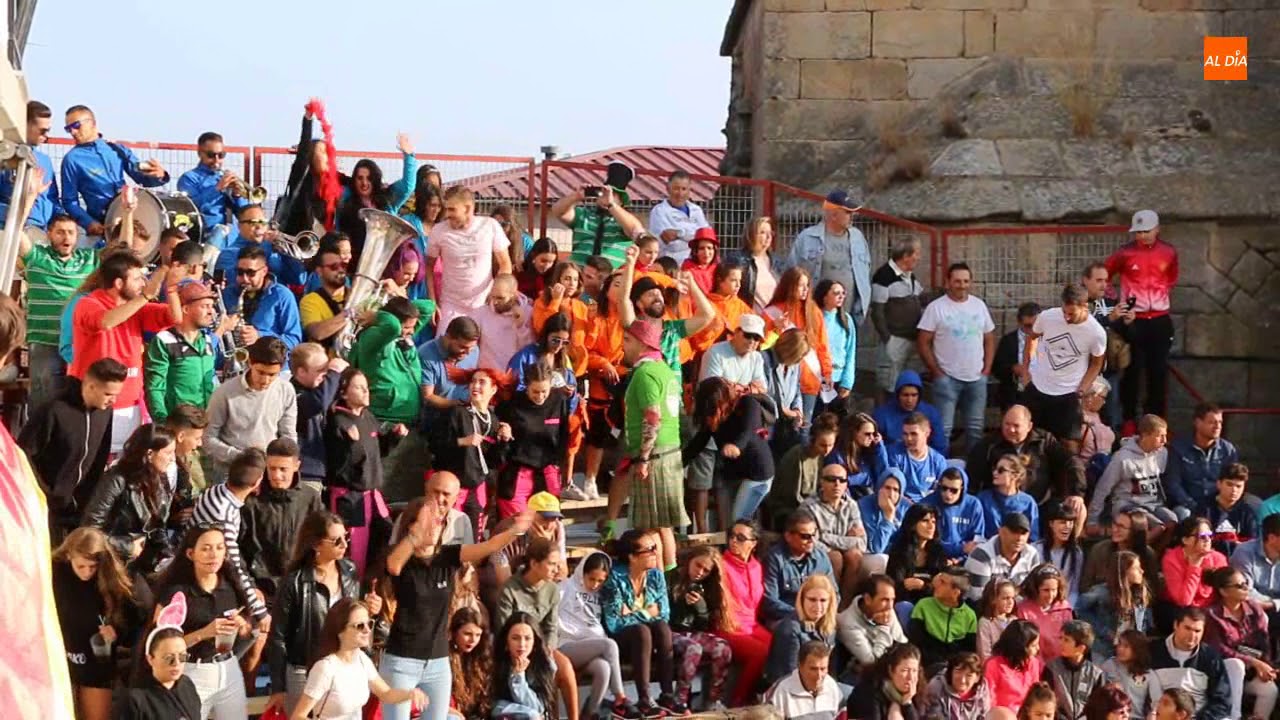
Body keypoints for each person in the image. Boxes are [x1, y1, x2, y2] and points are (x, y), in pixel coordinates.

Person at [380, 497, 532, 720]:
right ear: (411, 525)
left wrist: (516, 530)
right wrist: (415, 536)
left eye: (439, 521)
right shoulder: (400, 558)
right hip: (402, 661)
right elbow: (393, 567)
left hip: (438, 661)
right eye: (429, 521)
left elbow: (489, 546)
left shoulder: (448, 556)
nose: (435, 526)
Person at [69, 251, 182, 450]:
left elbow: (175, 318)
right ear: (119, 283)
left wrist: (171, 289)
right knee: (91, 460)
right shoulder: (88, 304)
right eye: (137, 279)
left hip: (130, 404)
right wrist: (146, 296)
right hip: (94, 405)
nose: (143, 283)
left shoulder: (137, 307)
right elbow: (106, 322)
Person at [263, 510, 362, 715]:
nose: (344, 545)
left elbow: (354, 621)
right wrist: (279, 687)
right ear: (316, 544)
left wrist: (369, 609)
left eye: (346, 537)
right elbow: (277, 637)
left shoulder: (349, 571)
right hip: (304, 670)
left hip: (341, 666)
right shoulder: (295, 582)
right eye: (336, 540)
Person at [152, 525, 256, 719]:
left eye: (219, 547)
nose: (213, 554)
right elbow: (159, 642)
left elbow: (249, 627)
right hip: (191, 670)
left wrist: (242, 625)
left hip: (228, 668)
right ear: (191, 554)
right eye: (206, 548)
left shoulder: (231, 585)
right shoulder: (177, 592)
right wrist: (203, 633)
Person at [20, 357, 124, 538]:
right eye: (108, 394)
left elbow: (101, 454)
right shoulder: (53, 409)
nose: (113, 400)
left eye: (116, 394)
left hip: (81, 507)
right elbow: (23, 454)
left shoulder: (105, 412)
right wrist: (46, 493)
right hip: (47, 507)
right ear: (91, 386)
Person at [51, 527, 145, 720]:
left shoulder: (111, 577)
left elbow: (135, 616)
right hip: (60, 661)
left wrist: (116, 631)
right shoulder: (54, 573)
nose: (87, 572)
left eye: (92, 567)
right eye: (81, 566)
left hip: (96, 664)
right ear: (69, 556)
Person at [617, 321, 687, 569]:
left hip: (654, 456)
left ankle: (659, 579)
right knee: (663, 525)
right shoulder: (664, 369)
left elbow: (653, 416)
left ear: (642, 343)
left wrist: (643, 457)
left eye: (627, 340)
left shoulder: (645, 373)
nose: (623, 346)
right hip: (669, 453)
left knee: (650, 527)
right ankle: (668, 575)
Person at [599, 529, 687, 716]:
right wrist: (648, 612)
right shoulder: (614, 579)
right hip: (622, 640)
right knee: (641, 631)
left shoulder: (655, 576)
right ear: (632, 557)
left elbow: (664, 614)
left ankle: (667, 695)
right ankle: (645, 698)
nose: (656, 552)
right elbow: (614, 623)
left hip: (650, 637)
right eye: (650, 549)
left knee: (662, 628)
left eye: (655, 547)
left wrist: (633, 613)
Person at [1104, 209, 1178, 432]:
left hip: (1160, 319)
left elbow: (1172, 278)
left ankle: (1155, 422)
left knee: (1158, 372)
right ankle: (1129, 419)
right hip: (1134, 319)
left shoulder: (1169, 252)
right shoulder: (1125, 253)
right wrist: (1115, 301)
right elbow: (1105, 275)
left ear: (1157, 230)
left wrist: (1158, 295)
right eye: (1138, 232)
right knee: (1132, 370)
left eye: (1146, 231)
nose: (1142, 236)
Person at [291, 599, 425, 720]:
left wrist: (409, 694)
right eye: (360, 626)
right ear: (340, 631)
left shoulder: (362, 659)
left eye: (369, 624)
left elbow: (386, 693)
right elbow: (298, 716)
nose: (367, 630)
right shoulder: (326, 668)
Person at [81, 423, 187, 573]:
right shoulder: (116, 479)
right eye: (168, 453)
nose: (172, 459)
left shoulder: (159, 479)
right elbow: (90, 529)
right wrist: (127, 546)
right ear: (150, 454)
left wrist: (166, 555)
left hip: (143, 561)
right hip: (113, 561)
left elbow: (158, 526)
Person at [917, 262, 997, 453]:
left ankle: (974, 468)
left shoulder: (979, 306)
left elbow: (989, 339)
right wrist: (937, 372)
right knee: (943, 430)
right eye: (957, 281)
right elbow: (922, 342)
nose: (962, 285)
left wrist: (986, 369)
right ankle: (941, 467)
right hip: (947, 379)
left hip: (977, 379)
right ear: (948, 282)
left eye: (966, 281)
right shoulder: (936, 308)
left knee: (976, 429)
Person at [18, 212, 95, 408]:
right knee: (43, 403)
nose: (66, 237)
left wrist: (128, 212)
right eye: (60, 232)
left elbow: (123, 248)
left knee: (76, 404)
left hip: (78, 344)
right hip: (45, 342)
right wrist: (29, 199)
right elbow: (17, 230)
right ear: (49, 234)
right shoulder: (36, 257)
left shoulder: (89, 259)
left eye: (71, 232)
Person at [324, 367, 394, 577]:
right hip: (349, 498)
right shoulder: (338, 421)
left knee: (387, 537)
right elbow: (339, 464)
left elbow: (378, 452)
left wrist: (394, 438)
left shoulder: (368, 417)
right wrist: (349, 444)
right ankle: (351, 590)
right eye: (359, 387)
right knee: (353, 552)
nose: (365, 391)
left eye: (366, 387)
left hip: (372, 493)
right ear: (344, 393)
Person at [58, 104, 168, 236]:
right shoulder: (72, 159)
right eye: (68, 129)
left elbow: (142, 179)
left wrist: (159, 175)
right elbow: (69, 201)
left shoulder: (117, 149)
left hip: (129, 216)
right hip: (103, 224)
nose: (73, 132)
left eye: (76, 126)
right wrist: (88, 223)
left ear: (92, 123)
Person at [1021, 283, 1108, 450]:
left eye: (1072, 314)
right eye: (1064, 312)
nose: (1067, 317)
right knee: (1030, 439)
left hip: (1069, 393)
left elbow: (1096, 363)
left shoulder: (1096, 332)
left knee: (1069, 444)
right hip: (1038, 386)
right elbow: (1032, 338)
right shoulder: (1047, 317)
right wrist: (1026, 370)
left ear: (1085, 306)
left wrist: (1082, 389)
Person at [203, 337, 298, 483]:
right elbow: (207, 438)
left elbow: (288, 436)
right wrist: (240, 456)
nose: (265, 380)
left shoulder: (286, 390)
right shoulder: (225, 392)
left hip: (267, 472)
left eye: (272, 375)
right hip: (230, 472)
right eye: (260, 372)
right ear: (250, 363)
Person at [557, 552, 640, 720]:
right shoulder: (565, 588)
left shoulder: (601, 594)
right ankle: (620, 697)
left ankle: (590, 713)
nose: (595, 585)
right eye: (591, 579)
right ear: (583, 572)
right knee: (609, 644)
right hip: (565, 646)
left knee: (603, 668)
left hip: (591, 648)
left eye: (600, 581)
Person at [686, 377, 776, 528]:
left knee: (738, 520)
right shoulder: (715, 416)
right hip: (732, 473)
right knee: (727, 524)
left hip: (757, 474)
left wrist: (736, 446)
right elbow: (698, 442)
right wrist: (679, 462)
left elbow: (749, 429)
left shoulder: (747, 403)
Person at [422, 186, 512, 329]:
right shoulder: (438, 230)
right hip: (451, 305)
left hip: (484, 305)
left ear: (468, 208)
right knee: (446, 342)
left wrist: (495, 295)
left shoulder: (490, 226)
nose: (447, 214)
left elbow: (505, 264)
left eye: (452, 209)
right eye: (446, 209)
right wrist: (432, 302)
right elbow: (428, 267)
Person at [241, 439, 323, 597]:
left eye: (283, 469)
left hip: (301, 586)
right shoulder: (251, 501)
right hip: (261, 589)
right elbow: (238, 548)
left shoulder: (310, 498)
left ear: (296, 466)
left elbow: (320, 541)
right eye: (272, 468)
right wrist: (250, 585)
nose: (277, 475)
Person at [144, 280, 227, 423]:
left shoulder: (207, 340)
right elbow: (155, 387)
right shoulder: (164, 340)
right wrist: (162, 422)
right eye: (204, 306)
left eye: (211, 306)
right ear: (186, 309)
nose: (211, 312)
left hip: (206, 421)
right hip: (179, 423)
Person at [1204, 566, 1278, 720]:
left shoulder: (1254, 608)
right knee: (1236, 664)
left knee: (1269, 690)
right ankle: (1234, 716)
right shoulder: (1212, 615)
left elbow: (1264, 640)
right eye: (1240, 585)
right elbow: (1219, 649)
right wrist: (1254, 662)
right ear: (1224, 591)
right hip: (1224, 674)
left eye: (1246, 583)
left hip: (1251, 673)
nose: (1246, 588)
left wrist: (1266, 666)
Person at [787, 189, 870, 324]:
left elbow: (865, 272)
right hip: (814, 314)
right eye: (848, 212)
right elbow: (791, 274)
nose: (852, 216)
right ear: (834, 214)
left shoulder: (858, 238)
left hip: (849, 315)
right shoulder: (807, 238)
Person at [667, 546, 735, 709]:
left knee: (722, 648)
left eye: (706, 571)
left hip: (692, 632)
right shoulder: (670, 578)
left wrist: (701, 608)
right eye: (698, 565)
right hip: (669, 632)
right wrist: (681, 602)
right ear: (690, 559)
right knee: (694, 648)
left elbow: (703, 625)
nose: (700, 572)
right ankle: (680, 699)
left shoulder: (706, 586)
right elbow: (663, 613)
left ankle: (713, 699)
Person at [764, 266, 833, 424]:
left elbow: (822, 345)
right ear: (789, 286)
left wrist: (827, 372)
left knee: (803, 427)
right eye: (801, 285)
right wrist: (774, 327)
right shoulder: (772, 311)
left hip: (809, 379)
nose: (805, 289)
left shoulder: (814, 312)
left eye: (807, 285)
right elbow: (763, 345)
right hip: (781, 380)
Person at [334, 136, 417, 261]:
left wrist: (409, 155)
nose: (364, 183)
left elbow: (407, 186)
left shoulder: (388, 199)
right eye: (360, 178)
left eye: (369, 178)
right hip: (352, 261)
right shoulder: (345, 201)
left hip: (382, 261)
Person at [718, 520, 774, 706]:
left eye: (740, 538)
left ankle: (768, 694)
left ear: (753, 543)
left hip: (751, 624)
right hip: (727, 625)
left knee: (780, 643)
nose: (733, 541)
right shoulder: (721, 566)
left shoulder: (756, 566)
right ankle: (738, 701)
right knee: (760, 652)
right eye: (732, 536)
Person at [554, 162, 646, 268]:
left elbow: (636, 231)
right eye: (604, 192)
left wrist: (611, 205)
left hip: (610, 276)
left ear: (621, 201)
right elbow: (558, 211)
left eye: (612, 194)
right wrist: (575, 196)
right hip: (578, 273)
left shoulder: (623, 221)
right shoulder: (584, 215)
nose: (606, 196)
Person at [1147, 608, 1232, 720]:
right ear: (1176, 625)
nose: (1192, 635)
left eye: (1197, 631)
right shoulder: (1153, 651)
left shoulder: (1210, 657)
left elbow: (1222, 701)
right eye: (1187, 628)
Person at [801, 462, 867, 601]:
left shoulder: (852, 505)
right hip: (814, 553)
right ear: (822, 482)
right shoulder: (809, 507)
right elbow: (811, 541)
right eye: (831, 479)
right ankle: (831, 603)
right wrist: (844, 542)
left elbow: (861, 543)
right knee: (835, 557)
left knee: (855, 555)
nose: (837, 484)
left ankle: (845, 605)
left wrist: (826, 537)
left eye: (842, 480)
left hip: (837, 549)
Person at [869, 238, 926, 398]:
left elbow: (919, 297)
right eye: (916, 254)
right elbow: (877, 311)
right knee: (888, 384)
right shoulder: (883, 276)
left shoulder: (909, 276)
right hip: (895, 339)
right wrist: (888, 339)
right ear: (906, 256)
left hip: (910, 338)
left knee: (905, 385)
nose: (919, 258)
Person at [764, 412, 839, 532]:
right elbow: (791, 497)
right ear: (813, 440)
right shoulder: (796, 456)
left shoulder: (821, 457)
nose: (827, 450)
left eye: (831, 445)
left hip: (810, 507)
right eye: (822, 445)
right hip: (789, 511)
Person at [113, 623, 203, 720]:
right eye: (169, 658)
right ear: (150, 659)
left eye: (182, 656)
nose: (176, 663)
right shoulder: (135, 699)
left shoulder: (187, 684)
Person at [1166, 403, 1240, 520]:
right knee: (1184, 514)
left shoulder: (1227, 450)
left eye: (1220, 422)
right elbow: (1173, 484)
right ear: (1198, 423)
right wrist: (1192, 505)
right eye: (1212, 422)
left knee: (1253, 505)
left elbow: (1234, 480)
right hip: (1187, 504)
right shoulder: (1179, 447)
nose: (1217, 427)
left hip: (1218, 503)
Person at [761, 510, 838, 623]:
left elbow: (834, 594)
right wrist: (801, 614)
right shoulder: (775, 559)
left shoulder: (821, 558)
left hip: (818, 616)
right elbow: (769, 601)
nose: (812, 541)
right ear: (788, 536)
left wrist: (821, 613)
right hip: (785, 617)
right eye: (805, 536)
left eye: (814, 534)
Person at [215, 204, 307, 298]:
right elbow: (236, 282)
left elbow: (299, 280)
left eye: (263, 222)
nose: (259, 227)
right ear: (239, 226)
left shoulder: (274, 250)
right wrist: (267, 245)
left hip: (278, 301)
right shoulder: (228, 254)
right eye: (253, 222)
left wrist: (287, 254)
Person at [1076, 551, 1154, 661]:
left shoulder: (1140, 593)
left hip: (1131, 649)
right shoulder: (1102, 592)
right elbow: (1080, 609)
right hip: (1105, 649)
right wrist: (1104, 631)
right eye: (1136, 568)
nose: (1142, 571)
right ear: (1124, 571)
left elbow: (1143, 622)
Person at [227, 243, 304, 353]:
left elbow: (294, 340)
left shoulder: (282, 295)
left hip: (270, 361)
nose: (245, 279)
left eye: (251, 273)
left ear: (264, 271)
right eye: (240, 272)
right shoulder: (228, 293)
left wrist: (260, 336)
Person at [764, 573, 837, 685]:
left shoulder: (830, 628)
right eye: (812, 600)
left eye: (823, 600)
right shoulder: (789, 630)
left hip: (820, 683)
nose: (818, 606)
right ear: (802, 599)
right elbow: (788, 676)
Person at [0, 100, 61, 232]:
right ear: (25, 125)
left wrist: (60, 220)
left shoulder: (44, 160)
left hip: (42, 231)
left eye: (48, 131)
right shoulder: (5, 157)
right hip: (12, 230)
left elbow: (52, 198)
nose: (46, 136)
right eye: (42, 131)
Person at [907, 567, 979, 671]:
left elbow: (968, 652)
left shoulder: (969, 616)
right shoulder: (923, 606)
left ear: (955, 592)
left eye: (943, 582)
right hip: (927, 666)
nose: (936, 584)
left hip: (955, 670)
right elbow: (916, 644)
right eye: (939, 580)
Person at [888, 504, 951, 621]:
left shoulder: (938, 552)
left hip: (932, 604)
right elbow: (894, 586)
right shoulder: (899, 551)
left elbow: (944, 588)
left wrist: (922, 586)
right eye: (925, 521)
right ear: (913, 525)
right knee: (904, 607)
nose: (931, 526)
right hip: (906, 603)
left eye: (933, 522)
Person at [177, 131, 251, 230]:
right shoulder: (188, 178)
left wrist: (237, 195)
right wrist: (217, 188)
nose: (217, 160)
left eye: (221, 155)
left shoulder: (224, 177)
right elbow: (191, 207)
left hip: (231, 233)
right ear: (200, 154)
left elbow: (244, 213)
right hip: (206, 232)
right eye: (211, 155)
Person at [836, 575, 907, 676]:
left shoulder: (885, 609)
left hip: (891, 668)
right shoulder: (847, 623)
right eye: (885, 600)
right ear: (868, 599)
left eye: (892, 599)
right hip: (860, 676)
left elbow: (902, 644)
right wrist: (884, 627)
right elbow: (872, 664)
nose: (890, 606)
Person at [964, 512, 1042, 602]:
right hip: (983, 607)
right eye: (1014, 532)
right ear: (1001, 531)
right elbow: (979, 597)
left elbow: (1034, 590)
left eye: (1024, 533)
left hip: (1019, 607)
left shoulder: (1032, 554)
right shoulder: (981, 555)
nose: (1019, 538)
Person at [417, 315, 481, 422]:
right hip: (433, 420)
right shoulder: (426, 354)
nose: (468, 353)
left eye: (471, 348)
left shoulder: (473, 351)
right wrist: (458, 404)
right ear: (448, 337)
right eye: (463, 347)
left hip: (464, 418)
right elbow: (427, 396)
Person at [1081, 510, 1159, 595]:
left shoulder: (1148, 555)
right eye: (1115, 524)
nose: (1115, 529)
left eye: (1121, 527)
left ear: (1135, 531)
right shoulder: (1100, 549)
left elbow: (1152, 590)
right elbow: (1086, 585)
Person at [872, 370, 947, 454]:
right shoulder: (881, 415)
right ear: (898, 395)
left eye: (914, 395)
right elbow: (874, 447)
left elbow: (939, 446)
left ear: (919, 395)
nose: (909, 400)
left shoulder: (931, 413)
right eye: (905, 395)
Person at [1162, 516, 1229, 611]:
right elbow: (1184, 601)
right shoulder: (1172, 559)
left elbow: (1225, 592)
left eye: (1209, 535)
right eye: (1202, 536)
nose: (1207, 539)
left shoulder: (1218, 558)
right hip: (1179, 609)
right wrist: (1194, 567)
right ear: (1185, 540)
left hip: (1210, 609)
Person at [921, 466, 986, 562]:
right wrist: (961, 548)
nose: (948, 494)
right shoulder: (927, 504)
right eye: (944, 488)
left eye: (954, 490)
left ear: (962, 489)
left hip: (965, 559)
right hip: (933, 557)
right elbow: (925, 541)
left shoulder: (974, 505)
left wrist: (960, 559)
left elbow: (977, 540)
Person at [472, 274, 534, 373]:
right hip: (487, 375)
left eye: (500, 298)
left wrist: (521, 326)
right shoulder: (481, 313)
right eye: (493, 297)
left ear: (514, 294)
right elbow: (471, 346)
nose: (495, 302)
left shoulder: (528, 313)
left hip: (513, 375)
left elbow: (529, 351)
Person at [766, 640, 842, 720]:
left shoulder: (832, 687)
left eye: (823, 669)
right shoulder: (781, 691)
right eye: (813, 669)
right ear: (800, 666)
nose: (819, 675)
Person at [1046, 621, 1107, 720]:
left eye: (1066, 640)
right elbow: (1046, 700)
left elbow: (1098, 707)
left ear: (1081, 648)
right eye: (1061, 638)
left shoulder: (1096, 674)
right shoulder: (1052, 668)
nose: (1061, 643)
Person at [646, 170, 710, 265]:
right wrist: (695, 238)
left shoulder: (696, 210)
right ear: (668, 189)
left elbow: (706, 237)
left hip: (696, 264)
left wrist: (679, 234)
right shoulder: (659, 211)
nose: (680, 193)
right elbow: (671, 244)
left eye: (684, 189)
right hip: (672, 265)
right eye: (676, 189)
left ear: (689, 190)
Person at [846, 642, 922, 720]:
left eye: (914, 671)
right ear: (891, 670)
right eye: (904, 670)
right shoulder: (869, 692)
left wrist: (907, 704)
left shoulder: (914, 694)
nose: (910, 677)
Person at [1014, 564, 1072, 663]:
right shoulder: (1023, 610)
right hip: (1035, 664)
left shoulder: (1064, 608)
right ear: (1035, 589)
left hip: (1061, 665)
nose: (1050, 595)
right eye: (1046, 590)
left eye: (1054, 590)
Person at [298, 243, 351, 351]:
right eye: (334, 267)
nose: (341, 270)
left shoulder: (355, 294)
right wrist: (349, 314)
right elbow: (317, 333)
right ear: (319, 271)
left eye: (343, 265)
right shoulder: (310, 300)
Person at [885, 412, 949, 502]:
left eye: (914, 434)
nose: (909, 438)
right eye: (905, 434)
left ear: (927, 433)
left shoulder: (938, 461)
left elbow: (941, 492)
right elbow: (892, 490)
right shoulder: (894, 454)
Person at [977, 455, 1041, 544]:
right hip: (987, 548)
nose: (995, 473)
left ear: (1015, 475)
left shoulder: (1028, 502)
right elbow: (977, 532)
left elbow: (1033, 537)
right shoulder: (983, 498)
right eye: (994, 469)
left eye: (1001, 470)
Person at [985, 620, 1045, 712]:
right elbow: (989, 699)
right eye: (1033, 645)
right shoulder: (994, 665)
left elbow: (1035, 695)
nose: (1038, 648)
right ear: (1020, 647)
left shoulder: (1033, 663)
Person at [1199, 463, 1256, 558]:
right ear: (1219, 484)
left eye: (1238, 486)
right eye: (1229, 484)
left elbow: (1252, 543)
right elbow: (1199, 537)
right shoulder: (1204, 508)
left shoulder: (1247, 512)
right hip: (1209, 557)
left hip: (1239, 558)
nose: (1234, 490)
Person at [992, 302, 1041, 412]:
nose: (1032, 329)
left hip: (1042, 393)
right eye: (1028, 326)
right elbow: (997, 369)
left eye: (1036, 325)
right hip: (1016, 394)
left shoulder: (1049, 339)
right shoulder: (1008, 341)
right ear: (1019, 322)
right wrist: (1013, 369)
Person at [447, 608, 494, 720]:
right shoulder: (445, 657)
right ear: (454, 632)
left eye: (478, 635)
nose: (473, 640)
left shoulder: (480, 658)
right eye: (467, 634)